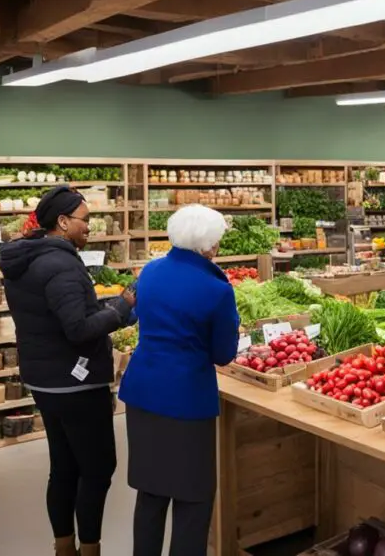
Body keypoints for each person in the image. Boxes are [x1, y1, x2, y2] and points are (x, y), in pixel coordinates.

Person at [0, 186, 135, 556]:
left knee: (63, 466)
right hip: (76, 383)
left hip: (45, 380)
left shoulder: (26, 259)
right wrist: (120, 309)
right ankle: (89, 547)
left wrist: (105, 307)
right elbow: (77, 330)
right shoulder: (59, 263)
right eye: (85, 220)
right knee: (96, 468)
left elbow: (60, 314)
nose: (89, 227)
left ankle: (64, 547)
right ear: (62, 222)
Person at [118, 205, 241, 556]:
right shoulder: (216, 289)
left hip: (143, 392)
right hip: (186, 400)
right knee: (193, 498)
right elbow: (223, 354)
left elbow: (141, 315)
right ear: (209, 245)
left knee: (151, 492)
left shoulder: (150, 272)